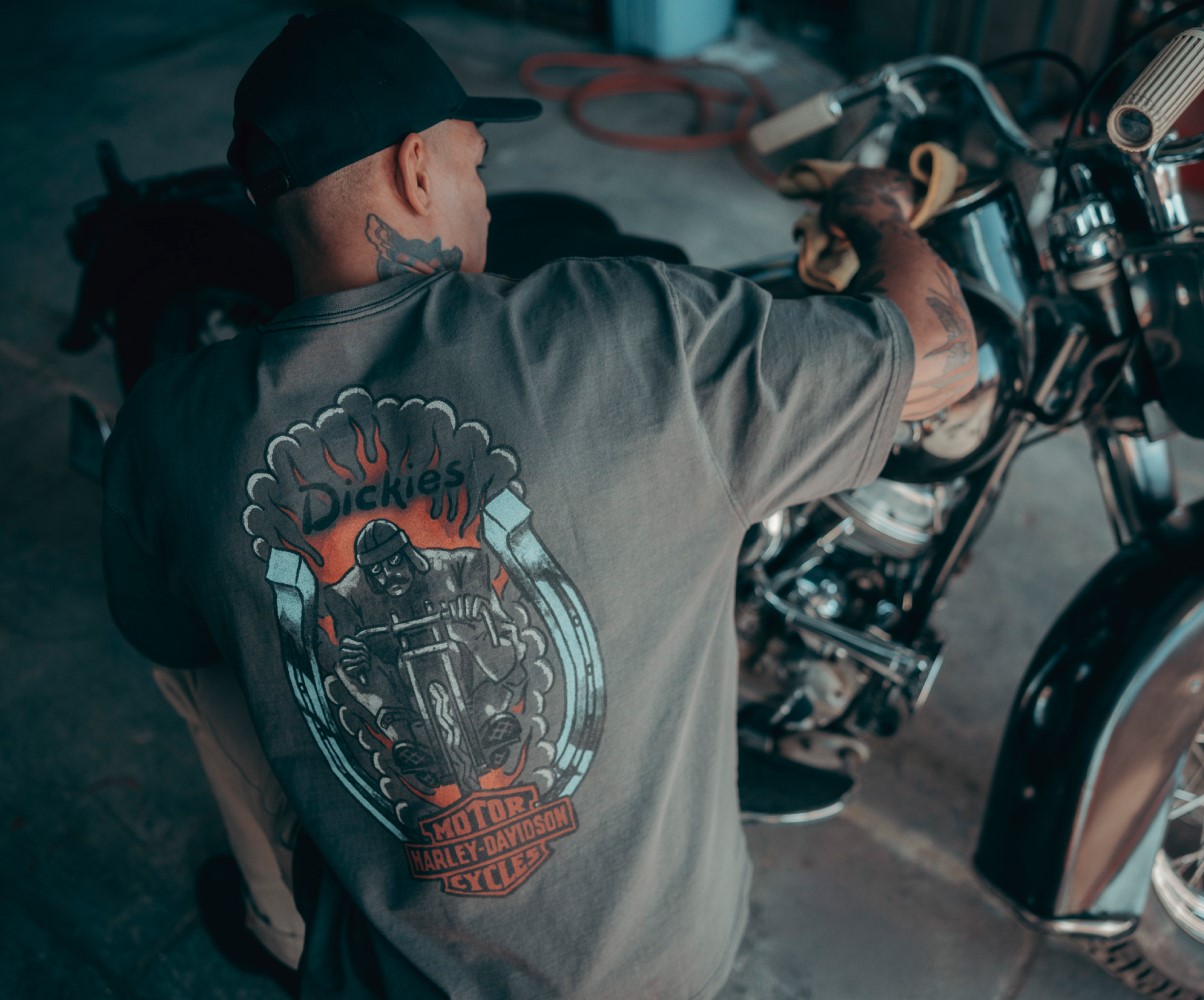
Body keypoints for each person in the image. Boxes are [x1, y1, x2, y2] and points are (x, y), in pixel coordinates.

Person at [100, 9, 975, 999]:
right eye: (474, 167)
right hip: (657, 969)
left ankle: (276, 919)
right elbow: (939, 353)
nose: (481, 203)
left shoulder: (167, 424)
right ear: (414, 170)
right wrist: (877, 213)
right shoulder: (626, 328)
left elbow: (173, 641)